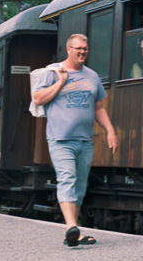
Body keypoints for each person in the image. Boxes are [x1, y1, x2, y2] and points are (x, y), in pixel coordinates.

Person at [31, 33, 119, 247]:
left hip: (85, 140)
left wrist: (110, 131)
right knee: (67, 179)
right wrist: (61, 82)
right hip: (60, 138)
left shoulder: (92, 76)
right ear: (69, 49)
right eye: (78, 48)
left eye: (85, 49)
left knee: (79, 185)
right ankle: (71, 226)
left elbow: (98, 108)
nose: (82, 52)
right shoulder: (53, 72)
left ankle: (74, 232)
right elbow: (38, 98)